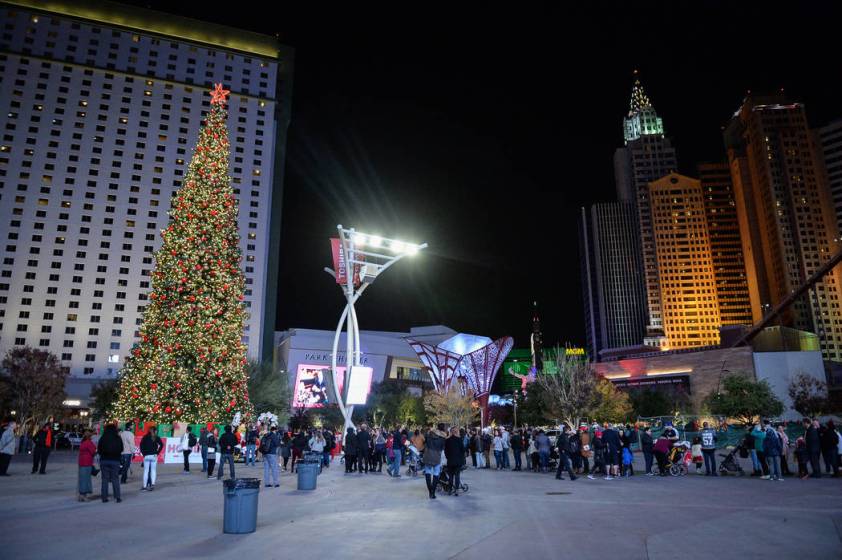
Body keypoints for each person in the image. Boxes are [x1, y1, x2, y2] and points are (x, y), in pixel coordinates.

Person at [97, 423, 123, 503]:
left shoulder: (103, 438)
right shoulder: (118, 438)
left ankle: (104, 497)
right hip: (115, 460)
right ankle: (117, 497)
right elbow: (121, 449)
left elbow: (99, 449)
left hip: (104, 460)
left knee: (105, 479)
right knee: (115, 479)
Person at [423, 424, 447, 499]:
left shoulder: (428, 437)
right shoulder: (442, 439)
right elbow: (443, 449)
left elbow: (424, 442)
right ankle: (433, 492)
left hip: (428, 457)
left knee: (428, 473)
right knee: (436, 474)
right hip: (437, 458)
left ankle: (430, 491)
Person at [140, 426, 164, 490]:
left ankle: (144, 486)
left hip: (146, 456)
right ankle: (152, 484)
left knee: (146, 471)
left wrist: (144, 454)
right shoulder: (156, 437)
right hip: (154, 456)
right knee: (153, 470)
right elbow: (161, 445)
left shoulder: (145, 437)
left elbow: (141, 445)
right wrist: (157, 453)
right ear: (155, 431)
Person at [444, 427, 465, 496]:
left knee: (450, 476)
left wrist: (448, 457)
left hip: (450, 460)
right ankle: (456, 490)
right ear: (456, 432)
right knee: (457, 475)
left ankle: (450, 490)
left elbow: (446, 451)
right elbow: (463, 450)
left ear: (451, 432)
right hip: (458, 461)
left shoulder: (447, 440)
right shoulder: (459, 440)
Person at [77, 430, 97, 502]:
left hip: (81, 462)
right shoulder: (89, 443)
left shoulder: (83, 442)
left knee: (82, 479)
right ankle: (84, 495)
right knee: (86, 479)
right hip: (87, 462)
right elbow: (93, 452)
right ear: (89, 436)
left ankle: (81, 495)